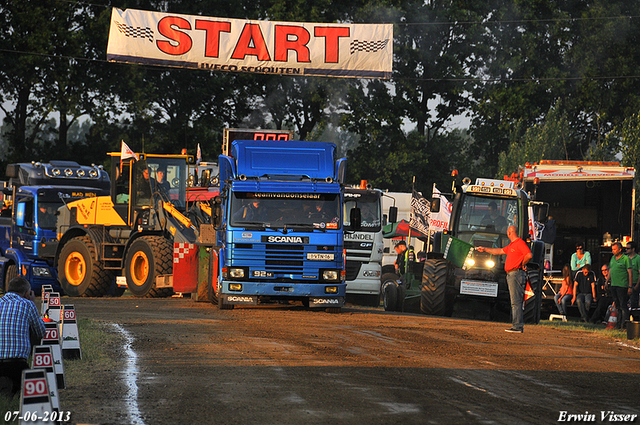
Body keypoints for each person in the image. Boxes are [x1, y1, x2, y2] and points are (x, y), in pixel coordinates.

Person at [476, 225, 532, 333]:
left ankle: (517, 326)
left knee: (516, 301)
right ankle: (517, 325)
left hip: (515, 273)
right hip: (512, 274)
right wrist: (485, 249)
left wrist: (521, 263)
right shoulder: (512, 245)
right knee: (514, 301)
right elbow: (499, 251)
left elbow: (529, 255)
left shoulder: (520, 243)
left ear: (509, 232)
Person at [0, 277, 45, 396]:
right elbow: (41, 332)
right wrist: (34, 303)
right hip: (17, 364)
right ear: (27, 293)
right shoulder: (28, 305)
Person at [609, 241, 633, 330]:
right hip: (614, 284)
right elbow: (610, 270)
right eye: (612, 249)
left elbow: (630, 273)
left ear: (620, 249)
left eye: (615, 249)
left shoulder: (626, 259)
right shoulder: (612, 258)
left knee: (623, 305)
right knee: (617, 306)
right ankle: (618, 324)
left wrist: (630, 286)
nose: (613, 251)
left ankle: (625, 324)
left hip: (622, 285)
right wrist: (607, 281)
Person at [626, 241, 640, 309]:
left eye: (628, 248)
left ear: (633, 249)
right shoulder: (625, 258)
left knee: (633, 303)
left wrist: (637, 285)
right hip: (625, 283)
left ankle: (634, 318)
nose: (626, 250)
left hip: (634, 283)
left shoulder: (638, 258)